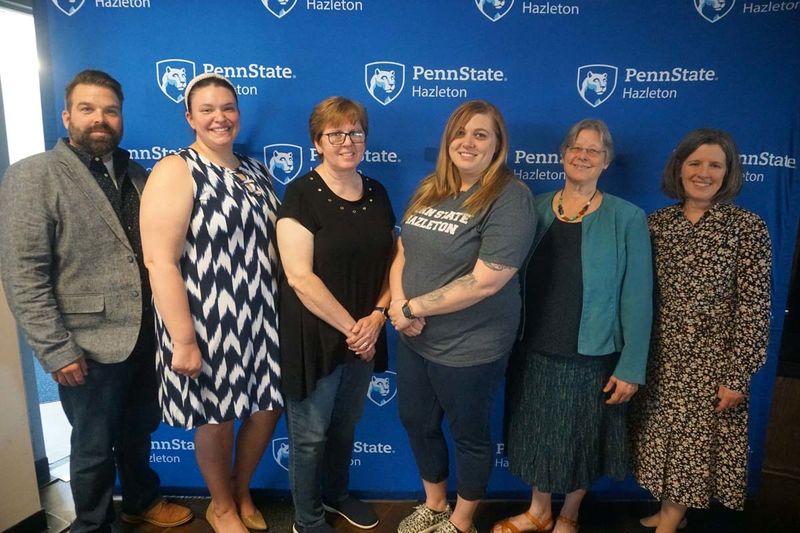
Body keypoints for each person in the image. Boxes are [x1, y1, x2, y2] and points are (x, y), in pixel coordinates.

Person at [0, 69, 192, 532]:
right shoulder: (33, 175)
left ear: (121, 117)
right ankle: (92, 524)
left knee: (138, 430)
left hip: (147, 334)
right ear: (67, 116)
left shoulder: (138, 173)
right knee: (91, 447)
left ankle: (141, 501)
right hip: (85, 344)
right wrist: (55, 348)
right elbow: (23, 273)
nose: (99, 119)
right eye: (87, 109)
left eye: (109, 110)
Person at [493, 119, 653, 533]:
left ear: (606, 162)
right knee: (538, 436)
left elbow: (637, 298)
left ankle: (570, 514)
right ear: (563, 155)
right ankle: (539, 511)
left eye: (594, 151)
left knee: (582, 439)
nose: (583, 156)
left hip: (594, 354)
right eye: (576, 148)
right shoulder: (536, 207)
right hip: (533, 347)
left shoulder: (627, 218)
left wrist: (631, 366)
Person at [140, 73, 282, 533]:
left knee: (266, 407)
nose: (220, 117)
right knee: (217, 418)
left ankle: (241, 490)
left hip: (262, 314)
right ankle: (220, 505)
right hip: (205, 319)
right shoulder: (175, 169)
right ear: (190, 118)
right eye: (207, 109)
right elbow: (160, 261)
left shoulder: (255, 170)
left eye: (228, 107)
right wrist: (183, 340)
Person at [388, 100, 536, 533]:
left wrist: (414, 307)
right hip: (414, 335)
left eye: (480, 134)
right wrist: (400, 307)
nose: (467, 142)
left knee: (469, 434)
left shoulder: (510, 197)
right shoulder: (431, 186)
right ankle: (434, 505)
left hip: (471, 344)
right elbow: (402, 251)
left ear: (497, 145)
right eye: (460, 133)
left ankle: (461, 520)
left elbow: (487, 280)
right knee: (416, 420)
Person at [630, 129, 772, 533]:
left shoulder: (747, 228)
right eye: (695, 163)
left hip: (713, 361)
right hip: (661, 357)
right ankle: (669, 510)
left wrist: (737, 374)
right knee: (663, 443)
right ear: (679, 168)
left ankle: (670, 522)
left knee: (694, 447)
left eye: (715, 164)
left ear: (728, 173)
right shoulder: (656, 224)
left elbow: (755, 306)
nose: (703, 172)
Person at [276, 96, 394, 533]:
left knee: (345, 428)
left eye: (356, 132)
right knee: (309, 439)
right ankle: (307, 520)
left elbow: (393, 262)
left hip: (366, 331)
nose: (348, 141)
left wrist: (378, 316)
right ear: (317, 142)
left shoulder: (378, 192)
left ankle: (336, 494)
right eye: (336, 134)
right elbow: (300, 278)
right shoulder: (301, 193)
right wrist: (353, 329)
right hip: (317, 335)